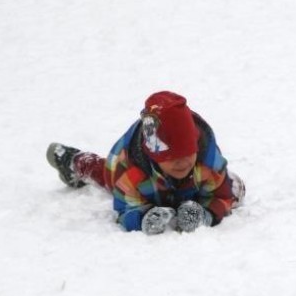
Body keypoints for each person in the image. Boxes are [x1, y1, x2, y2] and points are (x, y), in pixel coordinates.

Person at [45, 90, 245, 234]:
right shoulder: (130, 172)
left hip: (191, 183)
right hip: (134, 175)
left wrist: (206, 214)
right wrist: (143, 218)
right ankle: (73, 161)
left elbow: (224, 195)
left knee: (232, 185)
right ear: (154, 155)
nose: (182, 162)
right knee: (105, 174)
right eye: (172, 157)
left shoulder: (207, 162)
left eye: (187, 152)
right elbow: (124, 210)